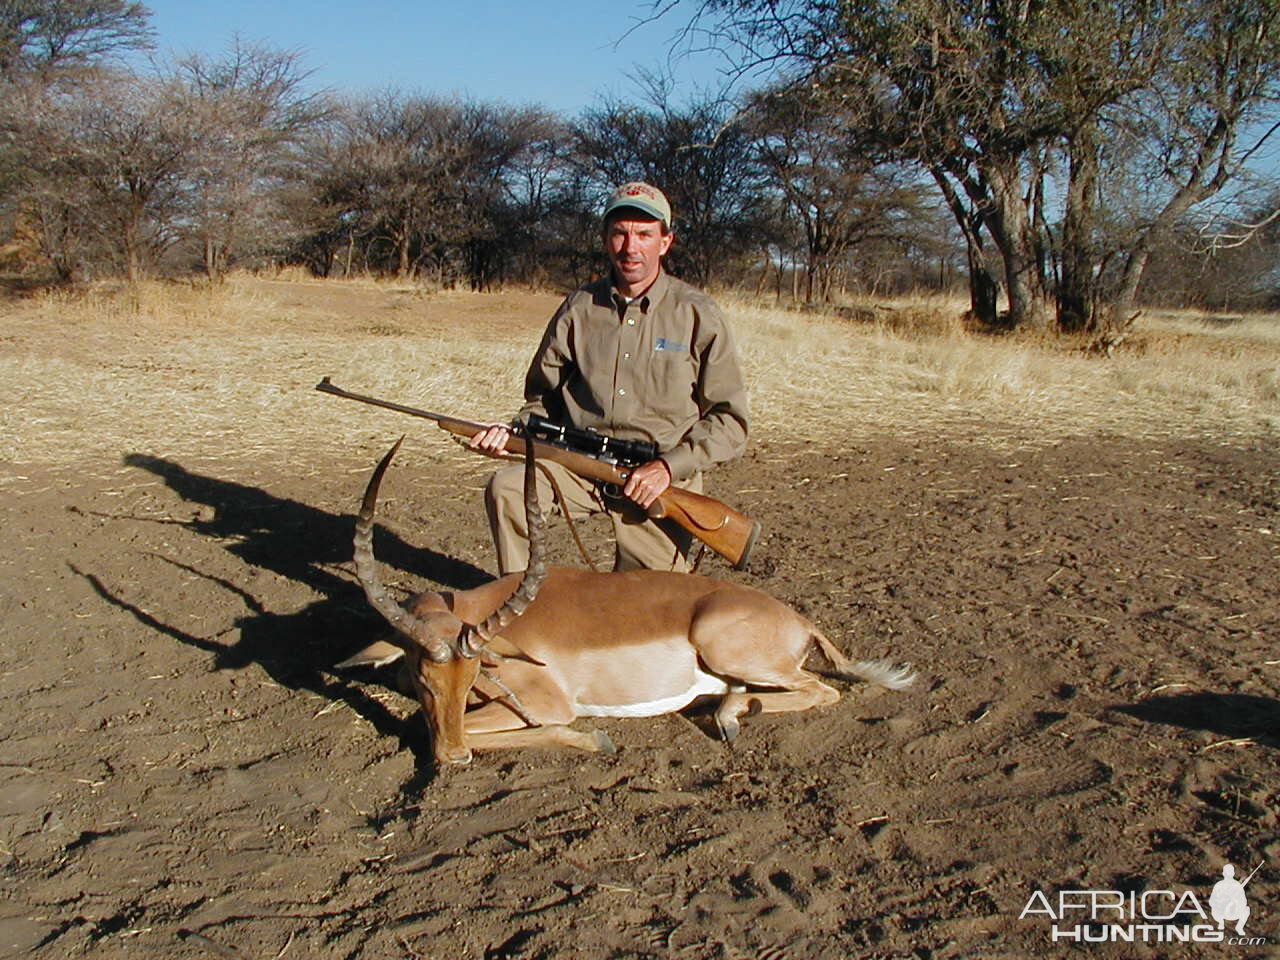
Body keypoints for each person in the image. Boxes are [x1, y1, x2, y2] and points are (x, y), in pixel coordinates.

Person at [471, 181, 749, 574]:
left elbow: (730, 421)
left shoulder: (698, 313)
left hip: (660, 482)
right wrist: (513, 436)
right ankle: (521, 610)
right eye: (619, 233)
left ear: (665, 242)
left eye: (644, 234)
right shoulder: (578, 308)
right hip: (580, 467)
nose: (630, 247)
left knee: (647, 618)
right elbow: (541, 400)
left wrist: (668, 467)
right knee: (508, 489)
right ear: (605, 239)